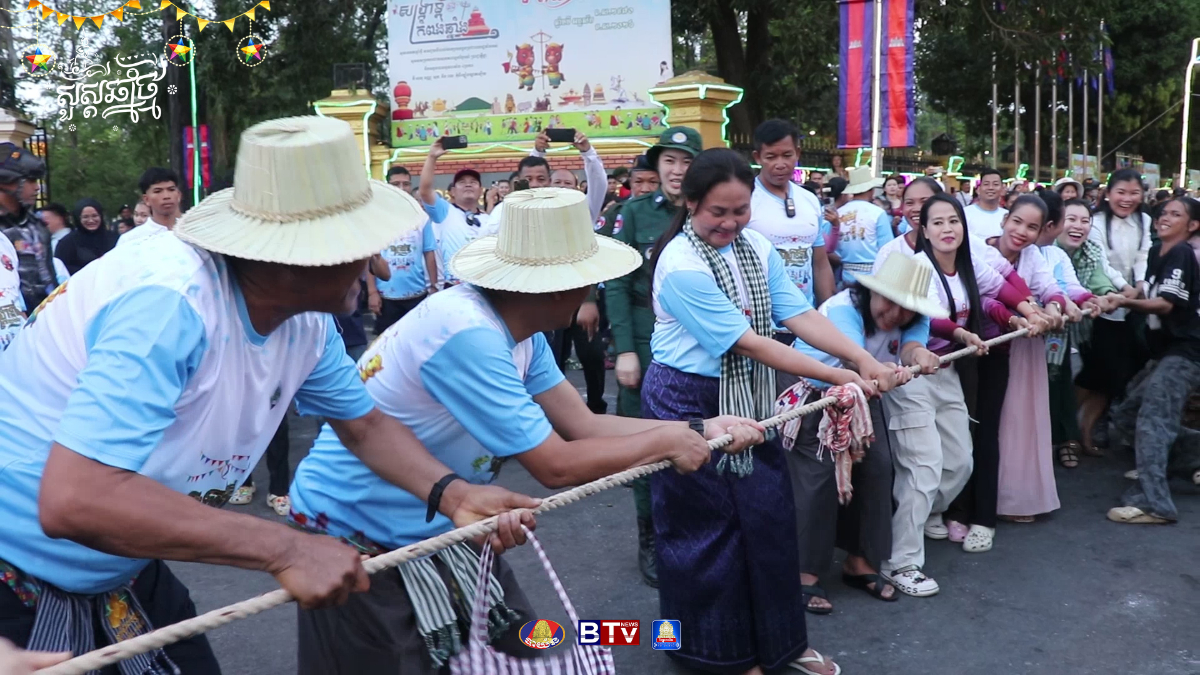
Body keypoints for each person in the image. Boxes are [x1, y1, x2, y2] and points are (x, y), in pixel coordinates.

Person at [0, 116, 540, 670]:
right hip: (16, 572)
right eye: (359, 243)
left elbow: (364, 425)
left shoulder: (308, 322)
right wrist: (286, 548)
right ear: (296, 256)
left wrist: (454, 496)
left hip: (119, 567)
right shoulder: (169, 305)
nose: (372, 262)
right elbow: (77, 499)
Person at [288, 187, 764, 673]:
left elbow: (583, 425)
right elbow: (555, 466)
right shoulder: (469, 333)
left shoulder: (518, 330)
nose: (592, 292)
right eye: (588, 279)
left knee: (518, 651)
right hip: (358, 532)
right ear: (558, 287)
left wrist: (697, 427)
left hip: (449, 522)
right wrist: (667, 441)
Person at [645, 148, 896, 675]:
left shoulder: (756, 246)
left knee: (769, 518)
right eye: (717, 212)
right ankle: (721, 656)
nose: (730, 222)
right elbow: (747, 342)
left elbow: (798, 312)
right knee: (708, 532)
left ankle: (782, 644)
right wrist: (838, 374)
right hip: (688, 399)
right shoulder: (681, 265)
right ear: (690, 203)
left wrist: (862, 358)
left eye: (740, 211)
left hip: (752, 394)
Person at [873, 192, 1041, 584]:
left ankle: (924, 511)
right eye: (937, 223)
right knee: (923, 466)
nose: (947, 229)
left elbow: (1001, 289)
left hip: (946, 371)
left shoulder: (968, 262)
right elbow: (931, 318)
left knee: (960, 461)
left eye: (954, 221)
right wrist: (964, 334)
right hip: (910, 372)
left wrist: (1028, 312)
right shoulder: (914, 266)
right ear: (924, 231)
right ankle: (900, 562)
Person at [792, 253, 947, 606]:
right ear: (870, 291)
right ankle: (805, 571)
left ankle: (860, 559)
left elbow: (911, 346)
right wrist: (881, 369)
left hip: (864, 392)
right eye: (889, 301)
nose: (896, 314)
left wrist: (920, 357)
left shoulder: (915, 318)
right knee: (817, 474)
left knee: (878, 467)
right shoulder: (843, 309)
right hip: (814, 388)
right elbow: (852, 356)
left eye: (906, 308)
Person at [605, 126, 701, 587]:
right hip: (646, 340)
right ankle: (651, 535)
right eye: (669, 161)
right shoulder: (634, 212)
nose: (677, 170)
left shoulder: (707, 210)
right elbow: (617, 285)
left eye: (686, 162)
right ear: (657, 165)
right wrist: (625, 349)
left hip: (699, 340)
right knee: (646, 442)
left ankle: (694, 528)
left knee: (700, 435)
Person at [975, 194, 1070, 524]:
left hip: (1025, 349)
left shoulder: (1033, 256)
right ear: (1004, 220)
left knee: (1021, 422)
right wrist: (1028, 313)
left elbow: (1051, 288)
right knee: (987, 424)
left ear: (1041, 231)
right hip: (984, 344)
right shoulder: (980, 250)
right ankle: (981, 498)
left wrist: (1054, 307)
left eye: (1031, 227)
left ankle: (1017, 498)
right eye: (1016, 221)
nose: (1021, 232)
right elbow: (988, 296)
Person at [1105, 197, 1200, 524]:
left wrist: (1123, 304)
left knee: (1153, 421)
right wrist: (1115, 297)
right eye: (1163, 212)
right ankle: (1187, 459)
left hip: (1186, 352)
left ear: (1192, 226)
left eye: (1176, 214)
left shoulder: (1182, 253)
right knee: (1128, 414)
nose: (1165, 217)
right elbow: (1148, 293)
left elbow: (1165, 304)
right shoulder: (1159, 252)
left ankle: (1154, 502)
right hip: (1164, 352)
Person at [1075, 168, 1149, 453]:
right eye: (1121, 192)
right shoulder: (1095, 223)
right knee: (1095, 372)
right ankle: (1067, 426)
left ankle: (1090, 429)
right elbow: (1100, 263)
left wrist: (1138, 287)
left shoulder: (1144, 221)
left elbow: (1143, 256)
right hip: (1101, 304)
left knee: (1117, 375)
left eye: (1134, 193)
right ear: (1108, 194)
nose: (1127, 199)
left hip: (1132, 305)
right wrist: (1120, 290)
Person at [747, 119, 836, 310]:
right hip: (762, 317)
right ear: (757, 157)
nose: (780, 164)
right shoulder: (744, 200)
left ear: (797, 153)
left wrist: (827, 311)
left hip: (806, 316)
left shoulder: (810, 200)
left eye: (787, 155)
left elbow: (820, 264)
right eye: (771, 157)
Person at [369, 166, 440, 335]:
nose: (401, 188)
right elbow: (370, 257)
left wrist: (434, 287)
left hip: (417, 294)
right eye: (396, 184)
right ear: (388, 186)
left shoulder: (421, 218)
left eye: (406, 184)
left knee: (418, 339)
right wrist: (372, 292)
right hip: (386, 296)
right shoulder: (375, 218)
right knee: (386, 343)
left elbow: (429, 253)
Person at [418, 139, 484, 288]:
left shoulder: (488, 219)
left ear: (481, 191)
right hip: (455, 285)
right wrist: (432, 157)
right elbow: (425, 190)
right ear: (452, 192)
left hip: (483, 285)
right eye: (462, 182)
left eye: (473, 182)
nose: (468, 184)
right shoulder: (445, 211)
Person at [0, 144, 54, 312]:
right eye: (30, 180)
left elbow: (49, 278)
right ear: (7, 181)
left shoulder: (38, 227)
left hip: (44, 317)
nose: (37, 187)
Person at [831, 166, 894, 285]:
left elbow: (833, 248)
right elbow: (887, 249)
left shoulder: (839, 213)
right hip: (874, 277)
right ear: (871, 190)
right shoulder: (878, 213)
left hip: (846, 275)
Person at [118, 167, 182, 247]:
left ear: (179, 195)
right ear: (146, 199)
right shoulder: (130, 239)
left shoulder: (192, 233)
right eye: (158, 191)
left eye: (171, 190)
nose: (166, 196)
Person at [53, 198, 117, 275]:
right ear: (78, 218)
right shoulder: (67, 243)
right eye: (85, 217)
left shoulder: (114, 238)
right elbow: (61, 270)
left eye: (95, 216)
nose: (91, 220)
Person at [964, 169, 1008, 238]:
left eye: (995, 184)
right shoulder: (965, 213)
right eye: (986, 184)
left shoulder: (1007, 216)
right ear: (978, 190)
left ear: (1002, 189)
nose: (990, 188)